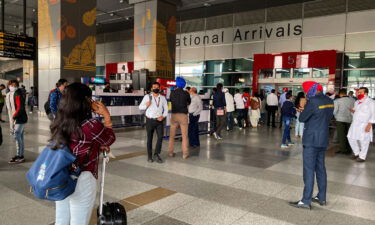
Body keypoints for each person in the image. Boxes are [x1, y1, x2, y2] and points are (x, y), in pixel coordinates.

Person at [51, 83, 115, 225]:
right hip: (82, 176)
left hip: (60, 174)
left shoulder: (59, 121)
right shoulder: (91, 125)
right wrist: (106, 115)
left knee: (61, 219)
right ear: (85, 101)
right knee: (79, 220)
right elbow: (109, 138)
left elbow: (76, 143)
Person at [289, 81, 334, 210]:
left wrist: (302, 111)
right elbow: (324, 116)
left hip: (311, 140)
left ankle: (306, 200)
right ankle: (321, 197)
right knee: (321, 168)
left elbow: (302, 118)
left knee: (308, 170)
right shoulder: (329, 100)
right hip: (323, 139)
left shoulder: (313, 101)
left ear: (310, 90)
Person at [139, 82, 169, 163]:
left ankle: (156, 154)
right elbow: (140, 107)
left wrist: (163, 116)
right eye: (154, 87)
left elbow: (166, 109)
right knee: (149, 139)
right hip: (150, 120)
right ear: (152, 89)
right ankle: (149, 156)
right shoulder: (147, 97)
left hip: (159, 121)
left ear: (159, 88)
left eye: (157, 87)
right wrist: (146, 105)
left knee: (160, 137)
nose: (155, 88)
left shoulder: (162, 98)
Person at [347, 87, 375, 162]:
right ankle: (356, 153)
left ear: (366, 93)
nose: (358, 93)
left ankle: (362, 156)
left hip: (365, 124)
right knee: (350, 137)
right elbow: (356, 112)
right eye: (358, 92)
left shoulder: (371, 102)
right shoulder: (357, 102)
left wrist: (369, 125)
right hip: (355, 123)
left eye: (360, 92)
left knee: (364, 141)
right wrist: (353, 111)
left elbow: (373, 114)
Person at [6, 80, 28, 164]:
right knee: (20, 137)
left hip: (19, 118)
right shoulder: (9, 94)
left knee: (17, 136)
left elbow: (20, 107)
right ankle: (20, 155)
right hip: (14, 118)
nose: (13, 86)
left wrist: (14, 116)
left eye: (15, 85)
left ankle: (20, 156)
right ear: (9, 85)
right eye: (11, 85)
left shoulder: (17, 94)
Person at [168, 77, 191, 159]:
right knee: (184, 136)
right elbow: (189, 102)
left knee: (171, 135)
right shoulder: (186, 93)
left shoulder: (172, 92)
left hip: (174, 115)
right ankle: (185, 154)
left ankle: (170, 152)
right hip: (183, 115)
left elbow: (170, 100)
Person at [334, 89, 355, 155]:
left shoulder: (337, 101)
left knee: (341, 135)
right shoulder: (353, 100)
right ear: (346, 93)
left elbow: (335, 111)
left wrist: (336, 117)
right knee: (349, 135)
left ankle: (343, 149)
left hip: (340, 119)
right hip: (350, 119)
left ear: (340, 94)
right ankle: (349, 149)